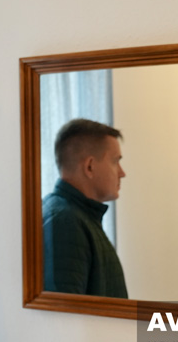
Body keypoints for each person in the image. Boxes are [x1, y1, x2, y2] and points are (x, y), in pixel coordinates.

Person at [42, 118, 128, 297]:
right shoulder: (65, 222)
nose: (122, 173)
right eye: (115, 161)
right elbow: (64, 311)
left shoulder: (77, 218)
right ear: (90, 166)